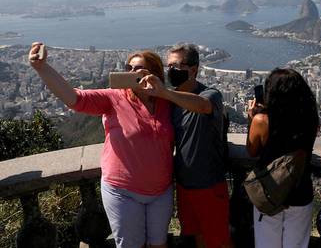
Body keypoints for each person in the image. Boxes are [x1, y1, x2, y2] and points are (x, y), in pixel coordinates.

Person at [29, 43, 174, 248]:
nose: (133, 73)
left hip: (161, 191)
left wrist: (165, 92)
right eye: (129, 69)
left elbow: (200, 108)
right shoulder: (114, 98)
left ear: (155, 74)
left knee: (159, 244)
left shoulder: (167, 102)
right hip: (123, 190)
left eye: (140, 69)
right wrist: (42, 68)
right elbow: (75, 99)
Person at [140, 43, 231, 248]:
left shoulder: (211, 95)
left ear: (193, 70)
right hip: (183, 185)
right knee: (197, 236)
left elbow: (202, 106)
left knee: (219, 241)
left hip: (209, 184)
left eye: (176, 66)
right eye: (168, 66)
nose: (170, 71)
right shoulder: (170, 104)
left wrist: (165, 93)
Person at [246, 68, 319, 248]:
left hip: (269, 191)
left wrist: (252, 118)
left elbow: (251, 151)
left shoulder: (262, 121)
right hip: (300, 191)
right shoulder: (310, 119)